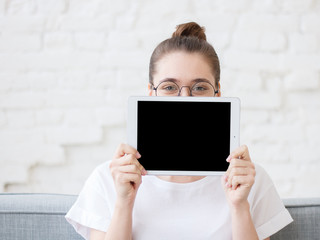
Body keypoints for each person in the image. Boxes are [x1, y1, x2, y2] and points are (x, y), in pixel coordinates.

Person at [65, 22, 293, 240]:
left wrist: (239, 205)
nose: (185, 98)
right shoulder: (108, 178)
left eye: (200, 87)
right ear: (151, 92)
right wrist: (124, 202)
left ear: (218, 94)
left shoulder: (248, 179)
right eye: (169, 87)